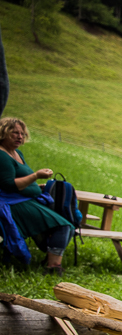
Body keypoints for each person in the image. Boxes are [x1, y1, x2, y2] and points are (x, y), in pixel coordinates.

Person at [0, 117, 73, 275]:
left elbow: (21, 179)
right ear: (3, 133)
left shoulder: (16, 153)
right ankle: (53, 267)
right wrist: (36, 176)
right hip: (14, 203)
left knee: (66, 225)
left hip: (26, 199)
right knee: (63, 226)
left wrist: (37, 186)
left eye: (22, 133)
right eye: (14, 133)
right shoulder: (2, 155)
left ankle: (49, 260)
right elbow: (9, 185)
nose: (20, 136)